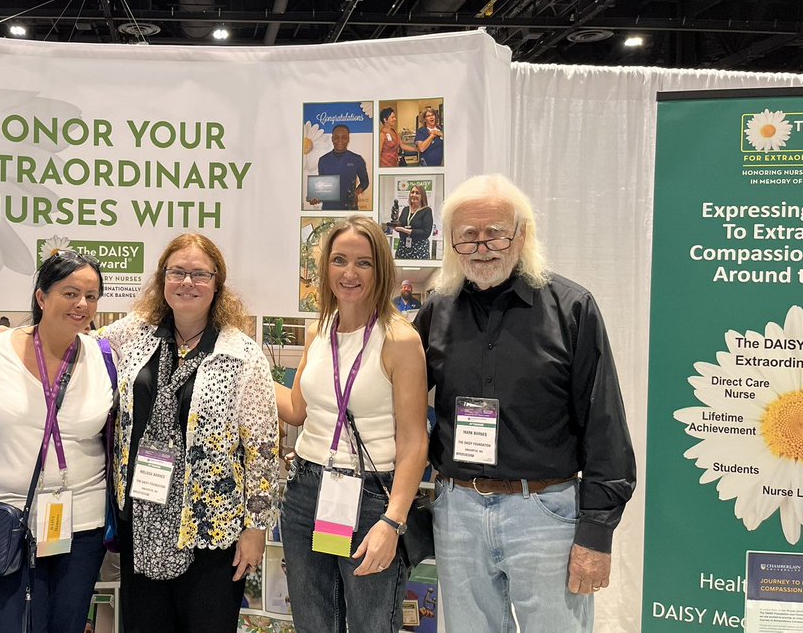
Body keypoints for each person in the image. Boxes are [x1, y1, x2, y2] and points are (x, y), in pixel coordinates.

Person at [413, 174, 636, 632]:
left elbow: (605, 424)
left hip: (545, 513)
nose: (482, 246)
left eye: (495, 232)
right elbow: (401, 401)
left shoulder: (572, 309)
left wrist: (596, 533)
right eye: (468, 236)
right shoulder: (437, 311)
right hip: (458, 511)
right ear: (452, 243)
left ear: (523, 234)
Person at [105, 233, 278, 633]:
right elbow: (72, 343)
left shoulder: (241, 353)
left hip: (211, 530)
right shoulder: (134, 336)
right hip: (142, 523)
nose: (187, 283)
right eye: (177, 272)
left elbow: (263, 450)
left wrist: (255, 529)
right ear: (162, 279)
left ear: (217, 283)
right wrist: (11, 337)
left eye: (200, 274)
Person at [277, 215, 429, 633]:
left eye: (363, 263)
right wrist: (251, 370)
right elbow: (296, 409)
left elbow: (415, 442)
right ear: (325, 267)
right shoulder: (319, 330)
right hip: (306, 492)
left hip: (370, 498)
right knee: (314, 624)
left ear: (381, 270)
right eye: (339, 260)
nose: (349, 273)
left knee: (370, 625)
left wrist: (392, 522)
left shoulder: (400, 339)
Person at [0, 250, 113, 632]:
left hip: (81, 525)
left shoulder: (105, 355)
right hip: (3, 522)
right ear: (41, 297)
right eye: (70, 293)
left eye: (91, 296)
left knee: (66, 626)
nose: (82, 305)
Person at [316, 124, 370, 210]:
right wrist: (315, 196)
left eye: (344, 137)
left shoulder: (357, 159)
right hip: (329, 209)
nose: (340, 140)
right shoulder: (323, 160)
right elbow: (321, 186)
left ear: (348, 139)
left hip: (349, 207)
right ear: (332, 139)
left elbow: (365, 182)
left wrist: (355, 193)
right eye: (336, 137)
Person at [392, 185, 433, 260]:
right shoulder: (405, 209)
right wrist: (395, 226)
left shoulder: (427, 211)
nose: (414, 195)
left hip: (419, 248)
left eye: (417, 193)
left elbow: (426, 233)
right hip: (403, 246)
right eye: (412, 192)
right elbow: (400, 224)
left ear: (422, 196)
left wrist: (405, 230)